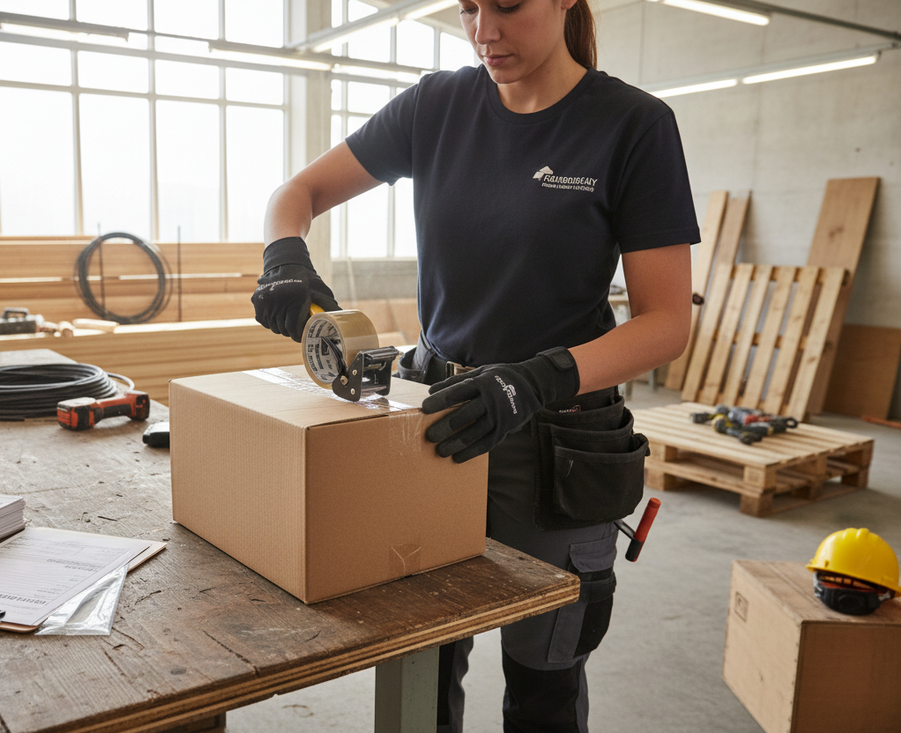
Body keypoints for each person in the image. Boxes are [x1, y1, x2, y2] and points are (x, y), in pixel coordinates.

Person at [250, 0, 698, 730]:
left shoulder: (632, 126)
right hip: (439, 425)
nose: (485, 31)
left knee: (543, 686)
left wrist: (535, 378)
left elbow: (666, 321)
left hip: (558, 439)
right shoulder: (437, 107)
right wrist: (284, 254)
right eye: (468, 9)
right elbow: (295, 194)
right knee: (421, 670)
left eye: (510, 6)